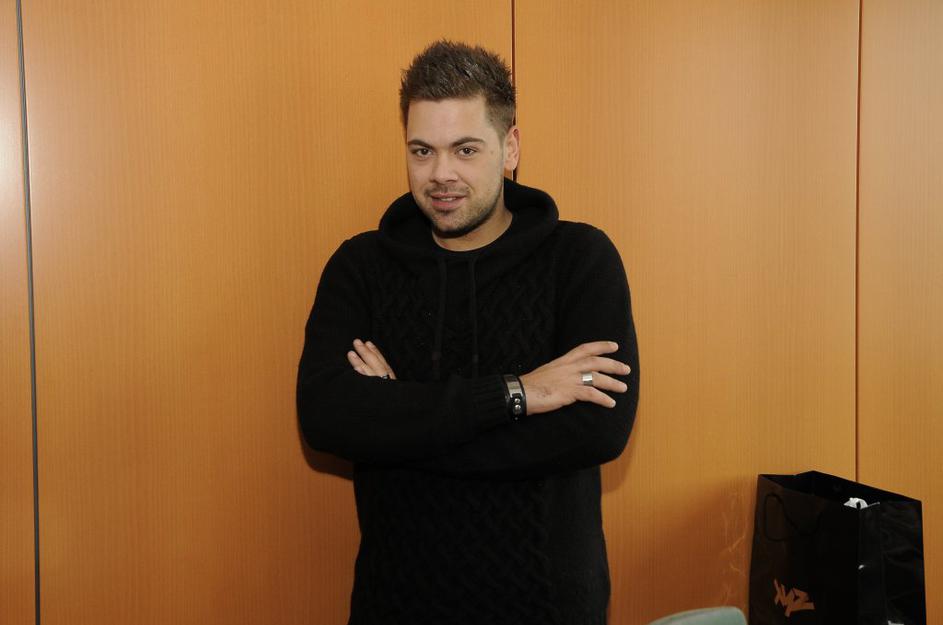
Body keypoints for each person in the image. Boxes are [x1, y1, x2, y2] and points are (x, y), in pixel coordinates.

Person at [297, 40, 639, 625]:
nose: (441, 174)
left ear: (510, 148)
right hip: (396, 605)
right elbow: (326, 417)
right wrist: (519, 395)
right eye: (422, 151)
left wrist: (398, 422)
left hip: (547, 607)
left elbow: (597, 430)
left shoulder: (580, 259)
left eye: (466, 149)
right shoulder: (360, 267)